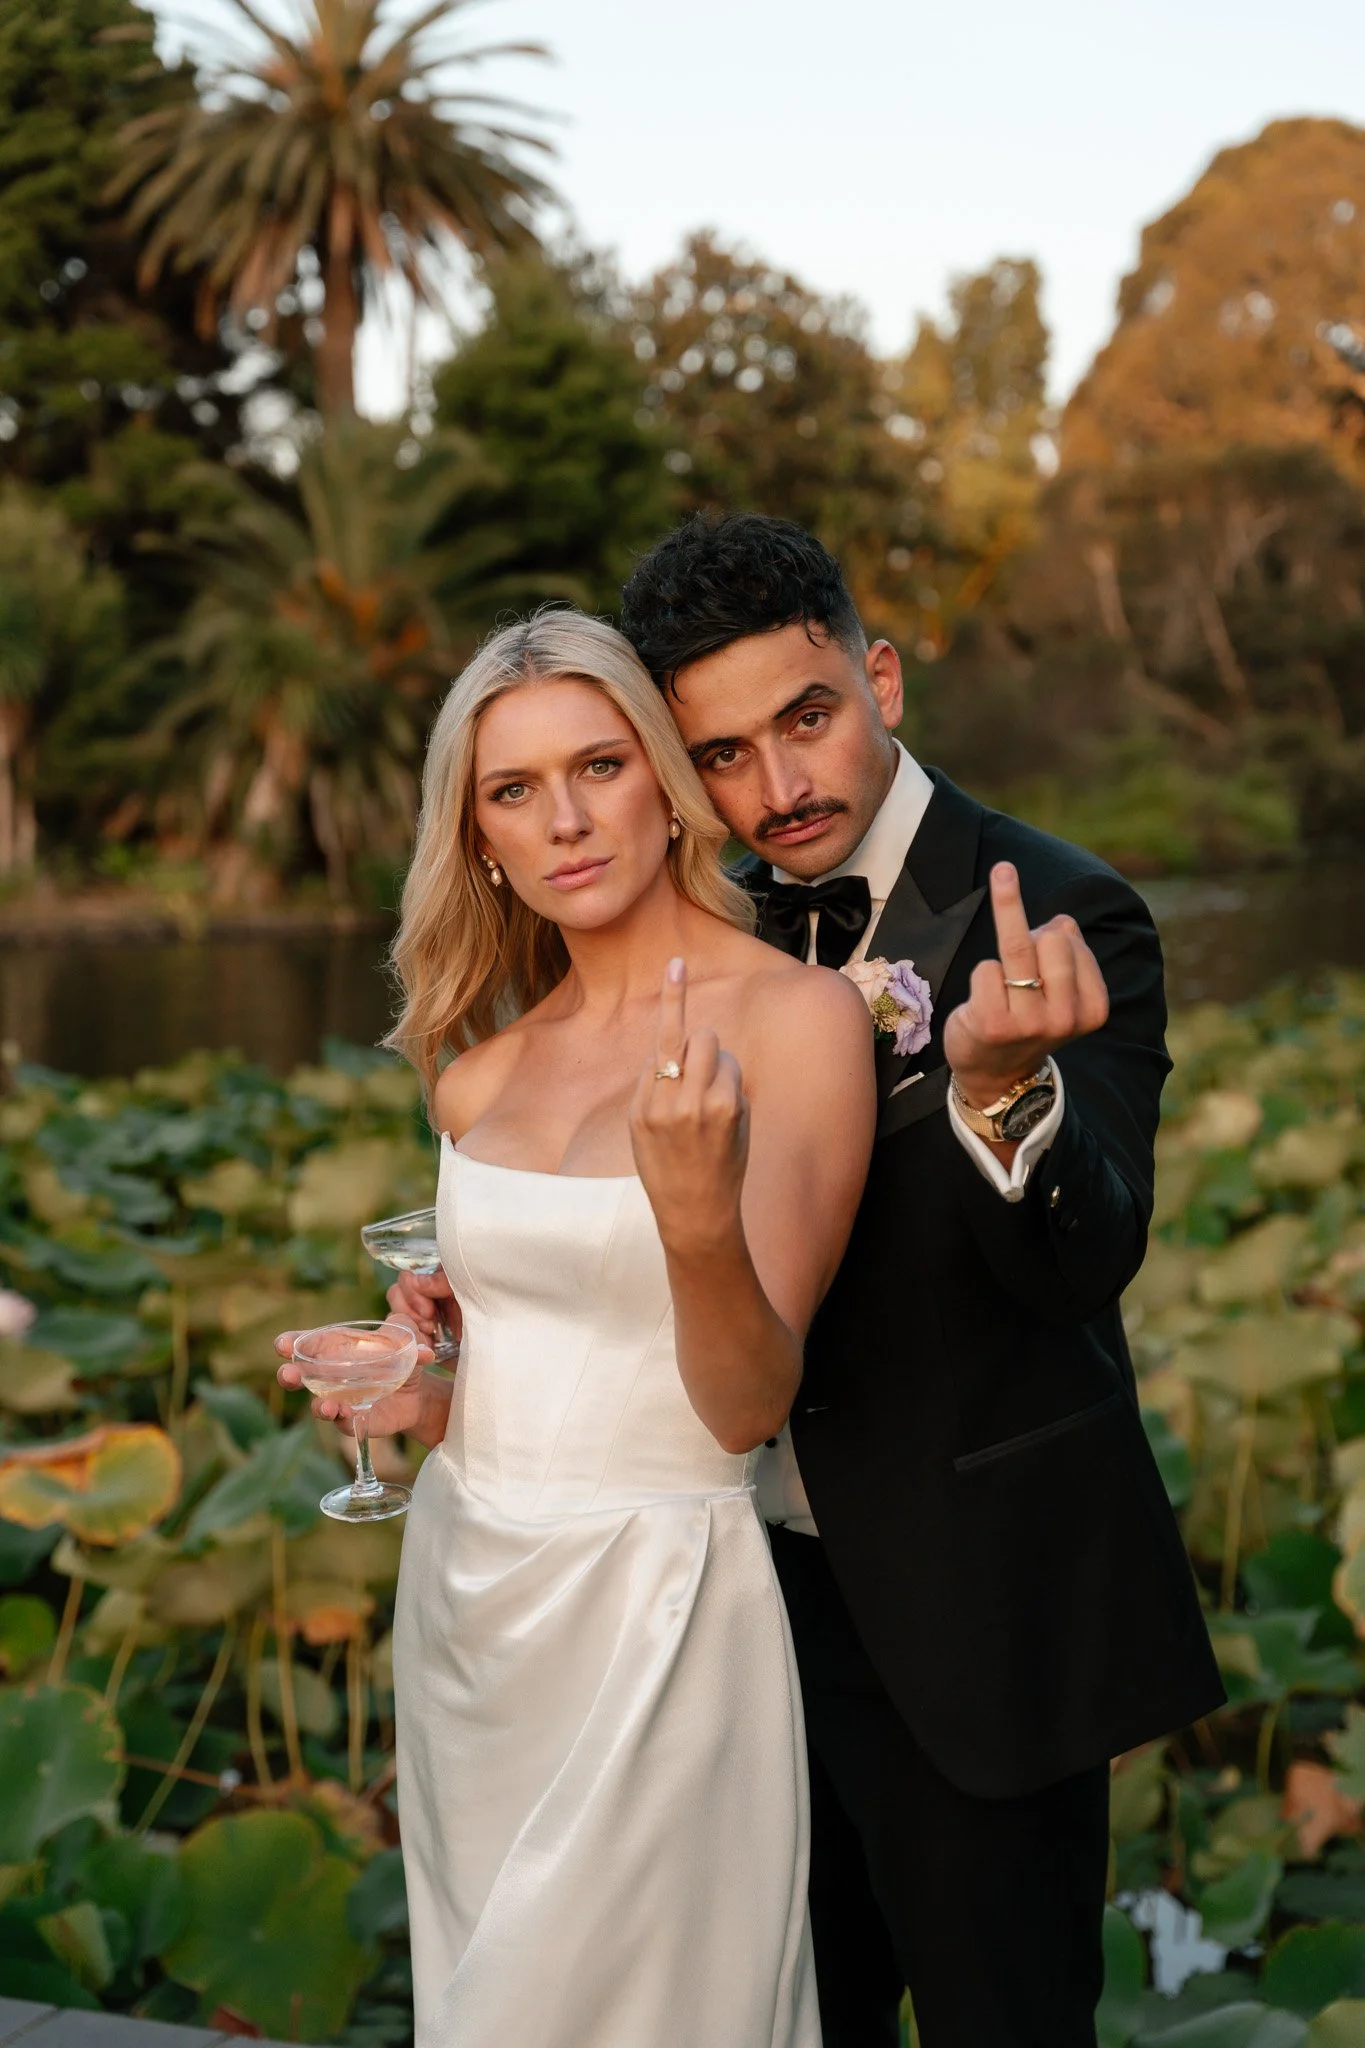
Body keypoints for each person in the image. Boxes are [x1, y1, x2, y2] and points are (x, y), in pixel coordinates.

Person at [613, 514, 1226, 2048]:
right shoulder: (697, 931)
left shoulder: (1060, 909)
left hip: (975, 1619)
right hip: (729, 1618)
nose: (780, 788)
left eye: (807, 718)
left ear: (878, 675)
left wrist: (1006, 1093)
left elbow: (1090, 1255)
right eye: (727, 755)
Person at [278, 610, 875, 2048]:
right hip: (471, 1607)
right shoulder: (476, 1082)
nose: (565, 820)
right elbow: (516, 1362)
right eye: (513, 790)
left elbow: (746, 1406)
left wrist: (692, 1217)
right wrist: (413, 1393)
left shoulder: (799, 1025)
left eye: (599, 765)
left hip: (658, 1610)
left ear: (663, 783)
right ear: (475, 834)